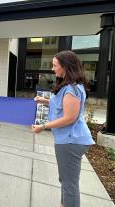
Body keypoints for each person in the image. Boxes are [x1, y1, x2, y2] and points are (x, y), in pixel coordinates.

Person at [31, 50, 95, 207]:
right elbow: (63, 107)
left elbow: (69, 118)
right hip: (69, 139)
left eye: (55, 65)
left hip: (70, 141)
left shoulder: (71, 89)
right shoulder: (68, 85)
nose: (52, 69)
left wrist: (43, 126)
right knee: (66, 179)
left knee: (69, 183)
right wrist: (44, 101)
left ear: (66, 67)